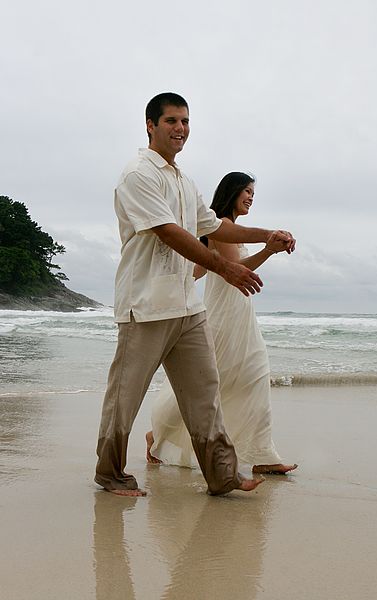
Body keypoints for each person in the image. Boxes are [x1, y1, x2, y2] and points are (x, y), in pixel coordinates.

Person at [94, 92, 295, 497]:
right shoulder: (138, 175)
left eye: (185, 121)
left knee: (206, 395)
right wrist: (225, 267)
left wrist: (265, 234)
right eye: (171, 121)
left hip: (187, 306)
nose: (180, 129)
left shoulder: (184, 181)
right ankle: (110, 472)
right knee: (125, 397)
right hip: (145, 306)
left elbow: (215, 226)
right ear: (150, 125)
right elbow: (170, 232)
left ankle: (222, 476)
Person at [146, 172, 298, 475]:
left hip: (238, 312)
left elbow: (202, 269)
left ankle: (262, 454)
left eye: (253, 193)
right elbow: (235, 268)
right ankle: (158, 431)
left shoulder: (226, 228)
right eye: (246, 191)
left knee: (247, 376)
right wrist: (268, 249)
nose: (251, 197)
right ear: (231, 192)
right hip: (224, 315)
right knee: (213, 381)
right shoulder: (222, 226)